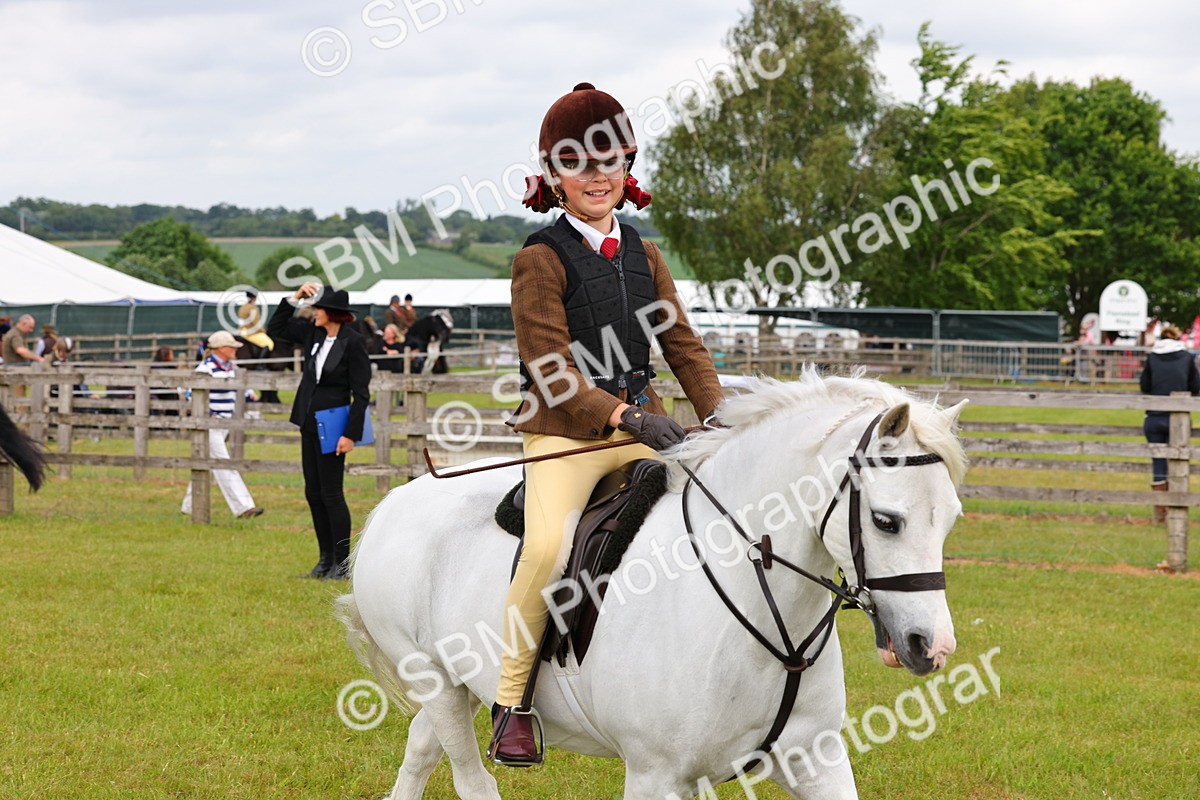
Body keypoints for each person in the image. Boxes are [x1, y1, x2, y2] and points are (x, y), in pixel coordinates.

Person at [486, 82, 726, 767]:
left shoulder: (647, 255)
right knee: (547, 552)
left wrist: (715, 414)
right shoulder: (540, 256)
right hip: (565, 433)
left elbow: (681, 345)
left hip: (643, 428)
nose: (597, 176)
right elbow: (550, 365)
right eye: (579, 164)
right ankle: (512, 702)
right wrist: (625, 415)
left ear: (626, 170)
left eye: (609, 161)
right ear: (554, 178)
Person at [267, 283, 371, 580]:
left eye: (318, 307)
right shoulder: (313, 333)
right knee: (312, 492)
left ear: (333, 313)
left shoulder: (353, 342)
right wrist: (294, 298)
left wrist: (351, 434)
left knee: (331, 493)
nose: (314, 312)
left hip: (334, 425)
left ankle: (342, 563)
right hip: (308, 421)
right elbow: (276, 327)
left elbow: (361, 393)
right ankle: (324, 560)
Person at [181, 331, 264, 520]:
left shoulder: (231, 368)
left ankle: (189, 506)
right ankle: (244, 507)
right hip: (209, 424)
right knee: (223, 463)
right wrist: (208, 414)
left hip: (225, 423)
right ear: (221, 349)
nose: (236, 350)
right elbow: (190, 394)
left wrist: (250, 393)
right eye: (232, 347)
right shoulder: (205, 368)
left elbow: (243, 388)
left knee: (207, 464)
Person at [1139, 324, 1200, 522]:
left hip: (1154, 416)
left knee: (1158, 463)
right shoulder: (1186, 357)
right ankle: (1176, 511)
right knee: (1178, 462)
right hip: (1178, 418)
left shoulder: (1152, 356)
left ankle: (1160, 512)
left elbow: (1145, 386)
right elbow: (1195, 386)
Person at [1, 315, 47, 396]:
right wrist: (39, 359)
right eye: (30, 327)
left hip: (15, 373)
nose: (31, 330)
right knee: (19, 402)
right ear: (23, 323)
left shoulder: (17, 333)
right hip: (14, 374)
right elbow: (20, 350)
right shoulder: (15, 334)